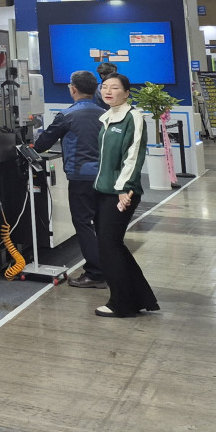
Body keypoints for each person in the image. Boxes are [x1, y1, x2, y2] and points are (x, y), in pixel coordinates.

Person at [92, 73, 159, 317]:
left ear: (127, 92)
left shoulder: (133, 117)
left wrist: (124, 188)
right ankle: (137, 298)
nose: (108, 91)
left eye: (115, 88)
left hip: (121, 193)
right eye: (104, 87)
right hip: (103, 190)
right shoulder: (108, 117)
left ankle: (121, 304)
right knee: (109, 245)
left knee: (110, 245)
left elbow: (133, 155)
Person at [33, 70, 107, 288]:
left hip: (80, 177)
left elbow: (42, 144)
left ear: (73, 89)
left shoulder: (67, 115)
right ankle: (107, 268)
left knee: (83, 223)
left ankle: (95, 274)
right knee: (101, 224)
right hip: (104, 176)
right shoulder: (105, 114)